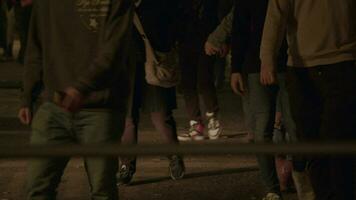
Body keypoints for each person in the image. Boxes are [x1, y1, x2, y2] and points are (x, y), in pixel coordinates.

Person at [17, 0, 134, 199]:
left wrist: (81, 88)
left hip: (100, 107)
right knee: (37, 189)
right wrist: (27, 95)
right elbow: (35, 47)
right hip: (54, 105)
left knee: (102, 190)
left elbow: (114, 50)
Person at [260, 0, 356, 199]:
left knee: (338, 137)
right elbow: (276, 13)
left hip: (342, 61)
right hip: (303, 67)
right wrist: (267, 58)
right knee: (312, 140)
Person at [231, 0, 314, 199]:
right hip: (257, 65)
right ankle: (271, 188)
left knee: (295, 127)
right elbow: (239, 28)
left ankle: (301, 180)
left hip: (290, 62)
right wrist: (236, 68)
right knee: (263, 129)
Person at [117, 0, 185, 185]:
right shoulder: (118, 6)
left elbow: (176, 23)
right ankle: (126, 164)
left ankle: (174, 157)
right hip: (126, 66)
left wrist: (164, 45)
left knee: (161, 116)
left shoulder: (158, 4)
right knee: (128, 119)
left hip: (154, 63)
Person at [177, 0, 222, 141]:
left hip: (207, 38)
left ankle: (212, 116)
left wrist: (222, 40)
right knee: (187, 82)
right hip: (185, 39)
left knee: (204, 79)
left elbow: (219, 13)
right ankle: (196, 123)